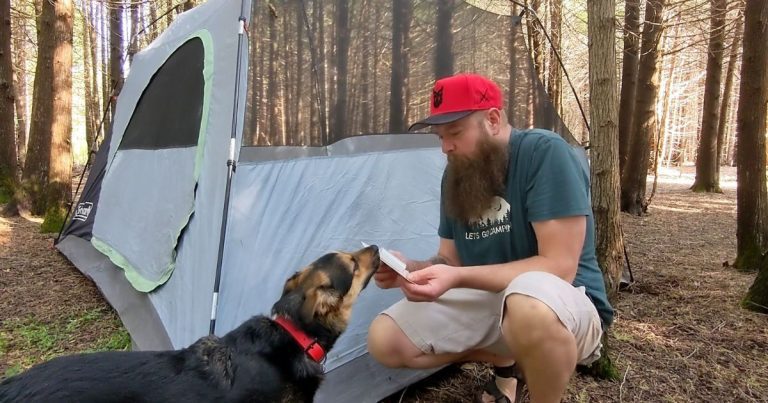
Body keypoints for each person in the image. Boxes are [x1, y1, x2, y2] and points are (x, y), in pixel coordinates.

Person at [366, 73, 613, 403]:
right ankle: (505, 359)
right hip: (492, 298)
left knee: (527, 305)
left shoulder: (544, 153)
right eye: (440, 136)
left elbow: (559, 267)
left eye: (454, 132)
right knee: (385, 340)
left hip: (563, 303)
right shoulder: (456, 174)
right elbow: (450, 260)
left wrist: (458, 277)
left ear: (493, 120)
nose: (445, 147)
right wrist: (412, 268)